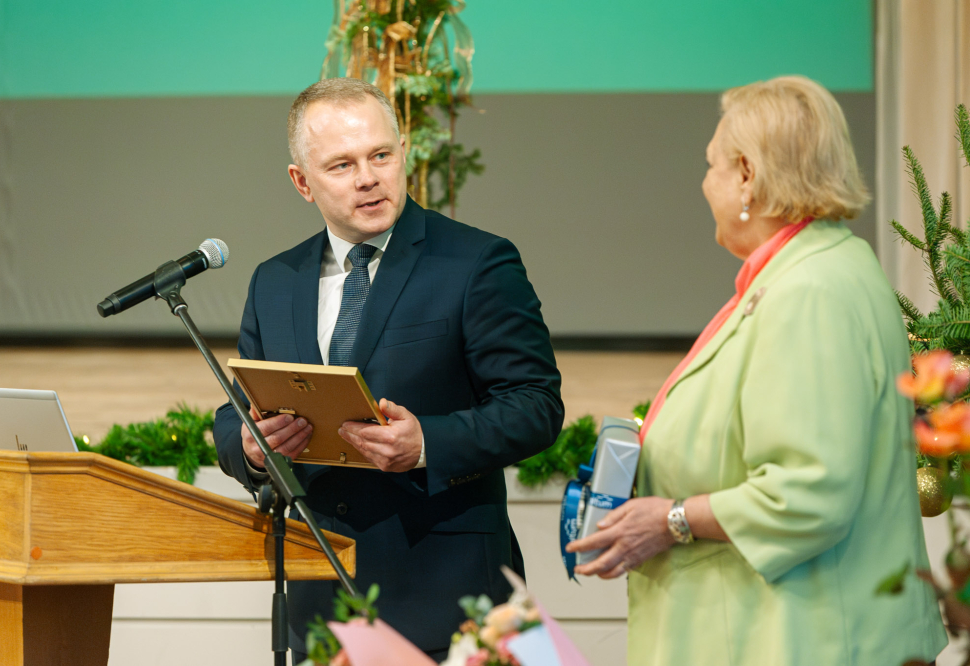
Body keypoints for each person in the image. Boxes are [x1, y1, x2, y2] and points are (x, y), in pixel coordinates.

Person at [567, 76, 948, 665]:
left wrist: (670, 520)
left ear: (747, 175)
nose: (703, 182)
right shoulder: (826, 263)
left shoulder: (809, 291)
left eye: (711, 164)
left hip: (807, 642)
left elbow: (808, 492)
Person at [212, 77, 564, 662]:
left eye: (380, 155)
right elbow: (235, 410)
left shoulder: (476, 261)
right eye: (342, 165)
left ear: (403, 154)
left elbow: (535, 405)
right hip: (321, 601)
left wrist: (427, 443)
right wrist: (250, 447)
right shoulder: (276, 280)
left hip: (448, 598)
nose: (368, 178)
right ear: (302, 182)